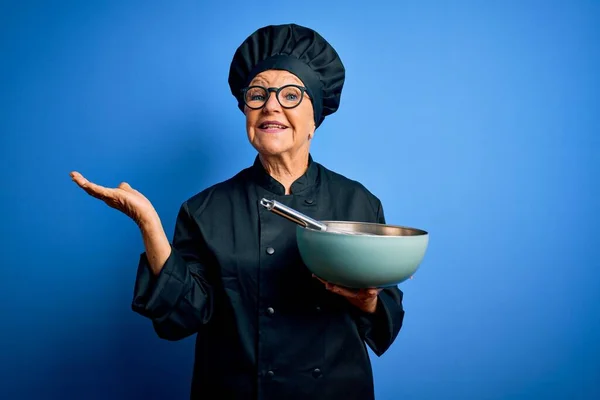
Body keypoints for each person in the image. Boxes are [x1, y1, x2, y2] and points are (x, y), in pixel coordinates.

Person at [71, 23, 405, 400]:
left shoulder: (358, 203)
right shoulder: (205, 209)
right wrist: (149, 223)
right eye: (258, 94)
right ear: (246, 112)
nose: (271, 105)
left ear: (315, 118)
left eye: (291, 94)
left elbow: (383, 323)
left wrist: (368, 301)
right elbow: (182, 317)